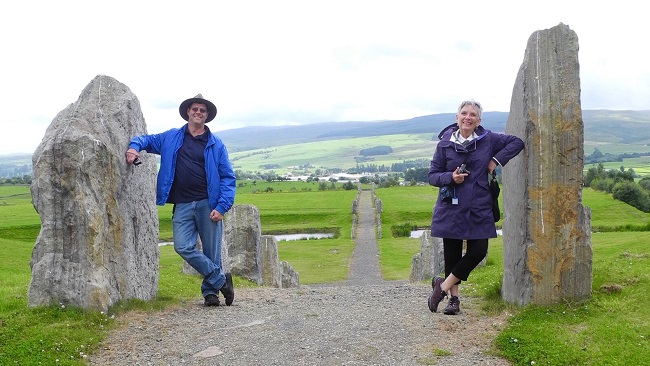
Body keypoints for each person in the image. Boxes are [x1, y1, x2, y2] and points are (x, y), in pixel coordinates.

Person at [125, 94, 236, 307]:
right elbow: (146, 140)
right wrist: (133, 147)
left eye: (202, 110)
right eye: (195, 109)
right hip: (183, 203)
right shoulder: (171, 137)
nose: (198, 113)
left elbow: (228, 178)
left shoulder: (216, 144)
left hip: (208, 203)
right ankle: (223, 281)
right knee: (183, 247)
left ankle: (210, 293)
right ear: (188, 112)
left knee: (212, 251)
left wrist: (222, 206)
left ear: (207, 116)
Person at [427, 100, 524, 315]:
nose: (468, 117)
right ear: (457, 117)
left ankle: (441, 287)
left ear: (478, 120)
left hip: (479, 205)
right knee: (452, 254)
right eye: (464, 113)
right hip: (451, 205)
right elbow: (432, 176)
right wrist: (450, 177)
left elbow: (517, 142)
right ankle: (454, 300)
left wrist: (496, 161)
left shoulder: (488, 139)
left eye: (473, 114)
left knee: (478, 251)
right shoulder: (444, 144)